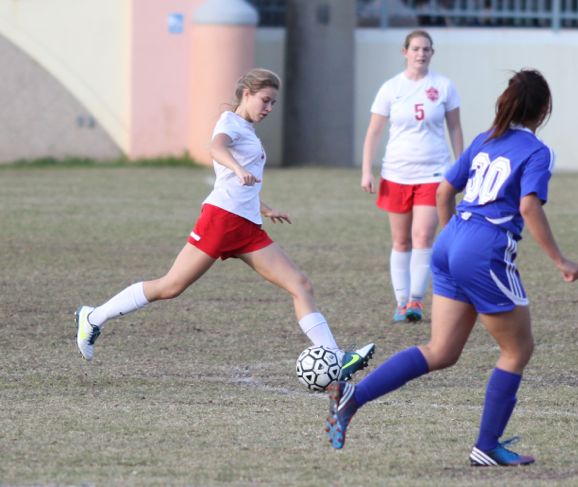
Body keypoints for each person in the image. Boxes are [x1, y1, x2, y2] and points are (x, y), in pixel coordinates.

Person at [324, 69, 578, 466]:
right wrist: (560, 260)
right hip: (483, 248)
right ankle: (487, 446)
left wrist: (452, 241)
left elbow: (445, 190)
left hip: (451, 241)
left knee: (441, 350)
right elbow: (528, 205)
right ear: (544, 110)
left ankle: (354, 397)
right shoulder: (537, 151)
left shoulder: (485, 139)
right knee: (518, 349)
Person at [75, 68, 375, 382]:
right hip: (221, 221)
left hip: (247, 227)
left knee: (301, 285)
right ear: (246, 93)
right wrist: (237, 166)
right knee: (170, 286)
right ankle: (93, 317)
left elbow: (236, 181)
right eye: (265, 100)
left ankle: (336, 358)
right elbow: (216, 149)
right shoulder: (230, 123)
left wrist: (265, 207)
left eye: (273, 103)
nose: (269, 108)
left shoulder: (247, 128)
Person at [361, 29, 464, 323]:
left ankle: (416, 302)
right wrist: (367, 170)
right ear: (405, 52)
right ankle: (401, 300)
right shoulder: (390, 88)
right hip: (396, 172)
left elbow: (455, 129)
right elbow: (374, 131)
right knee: (401, 240)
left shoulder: (444, 87)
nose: (421, 54)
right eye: (416, 49)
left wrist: (461, 167)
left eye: (426, 49)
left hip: (433, 172)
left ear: (433, 53)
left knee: (423, 235)